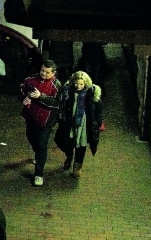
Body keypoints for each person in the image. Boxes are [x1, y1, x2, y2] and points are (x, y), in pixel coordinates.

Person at [54, 70, 103, 179]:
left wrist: (97, 122)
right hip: (69, 122)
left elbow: (98, 110)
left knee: (81, 146)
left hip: (84, 124)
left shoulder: (92, 93)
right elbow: (61, 106)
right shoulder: (67, 91)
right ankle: (69, 156)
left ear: (86, 83)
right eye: (76, 83)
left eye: (81, 84)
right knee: (67, 143)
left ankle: (77, 168)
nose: (78, 86)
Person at [19, 58, 60, 187]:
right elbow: (21, 91)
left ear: (53, 73)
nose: (44, 74)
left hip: (46, 121)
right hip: (30, 117)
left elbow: (57, 103)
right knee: (31, 137)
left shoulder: (57, 86)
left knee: (42, 144)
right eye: (42, 70)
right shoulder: (30, 80)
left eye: (47, 72)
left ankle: (39, 173)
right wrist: (24, 98)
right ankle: (38, 154)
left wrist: (40, 97)